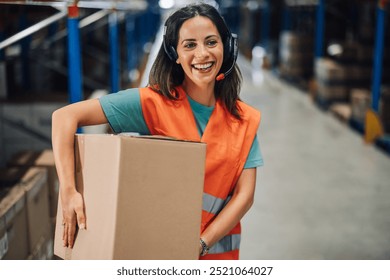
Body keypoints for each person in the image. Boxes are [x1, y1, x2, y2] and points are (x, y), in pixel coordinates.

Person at [52, 3, 263, 260]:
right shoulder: (153, 104)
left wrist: (199, 244)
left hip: (218, 260)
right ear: (174, 53)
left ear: (226, 47)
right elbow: (64, 117)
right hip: (159, 254)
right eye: (189, 45)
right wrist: (69, 190)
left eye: (211, 42)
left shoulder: (243, 119)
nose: (202, 54)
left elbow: (245, 196)